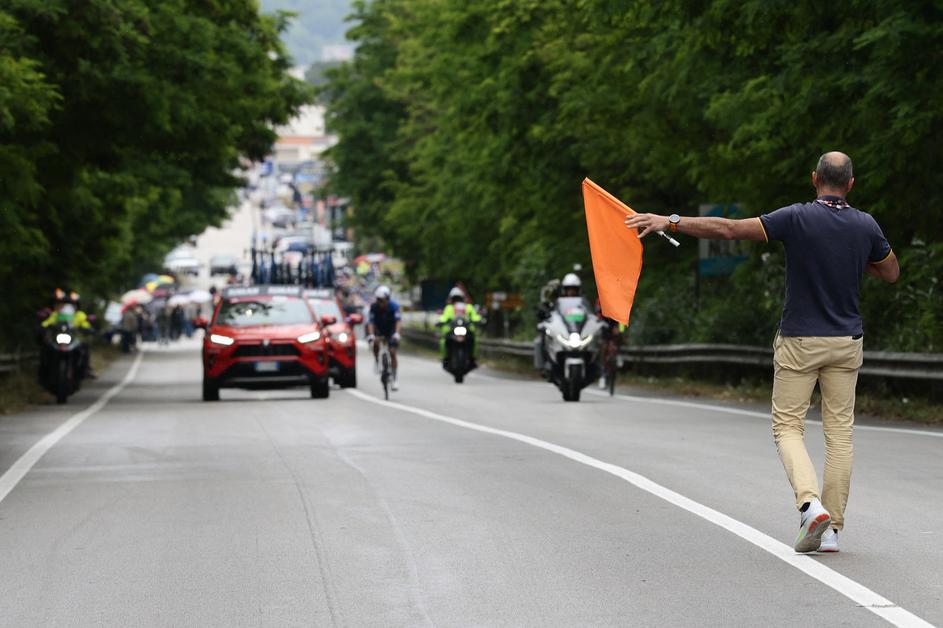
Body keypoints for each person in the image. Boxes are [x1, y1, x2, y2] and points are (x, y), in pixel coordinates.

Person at [625, 151, 900, 553]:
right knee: (839, 434)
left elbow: (729, 230)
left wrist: (672, 221)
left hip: (800, 340)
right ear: (852, 184)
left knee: (788, 427)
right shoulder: (866, 225)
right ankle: (834, 530)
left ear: (814, 178)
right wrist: (857, 260)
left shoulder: (797, 217)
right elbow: (890, 271)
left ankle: (810, 504)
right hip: (846, 342)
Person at [41, 289, 95, 378]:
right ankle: (45, 369)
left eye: (73, 305)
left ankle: (85, 369)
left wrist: (88, 328)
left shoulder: (79, 315)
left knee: (84, 346)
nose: (70, 307)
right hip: (58, 339)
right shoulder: (56, 314)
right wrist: (42, 327)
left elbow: (85, 323)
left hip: (73, 338)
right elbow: (47, 322)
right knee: (46, 346)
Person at [367, 285, 402, 390]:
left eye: (381, 300)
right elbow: (371, 322)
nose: (379, 303)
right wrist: (371, 334)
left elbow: (398, 321)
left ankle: (395, 379)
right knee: (376, 343)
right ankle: (377, 361)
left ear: (387, 299)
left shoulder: (394, 307)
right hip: (379, 329)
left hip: (391, 330)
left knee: (392, 352)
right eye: (378, 300)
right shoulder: (374, 307)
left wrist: (397, 333)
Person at [438, 286, 483, 366]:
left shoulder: (468, 307)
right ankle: (446, 357)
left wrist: (479, 320)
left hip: (466, 330)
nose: (457, 300)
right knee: (443, 340)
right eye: (455, 298)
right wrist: (440, 322)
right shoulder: (449, 308)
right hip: (452, 331)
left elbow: (475, 317)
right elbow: (443, 318)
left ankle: (472, 357)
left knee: (474, 340)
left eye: (458, 298)